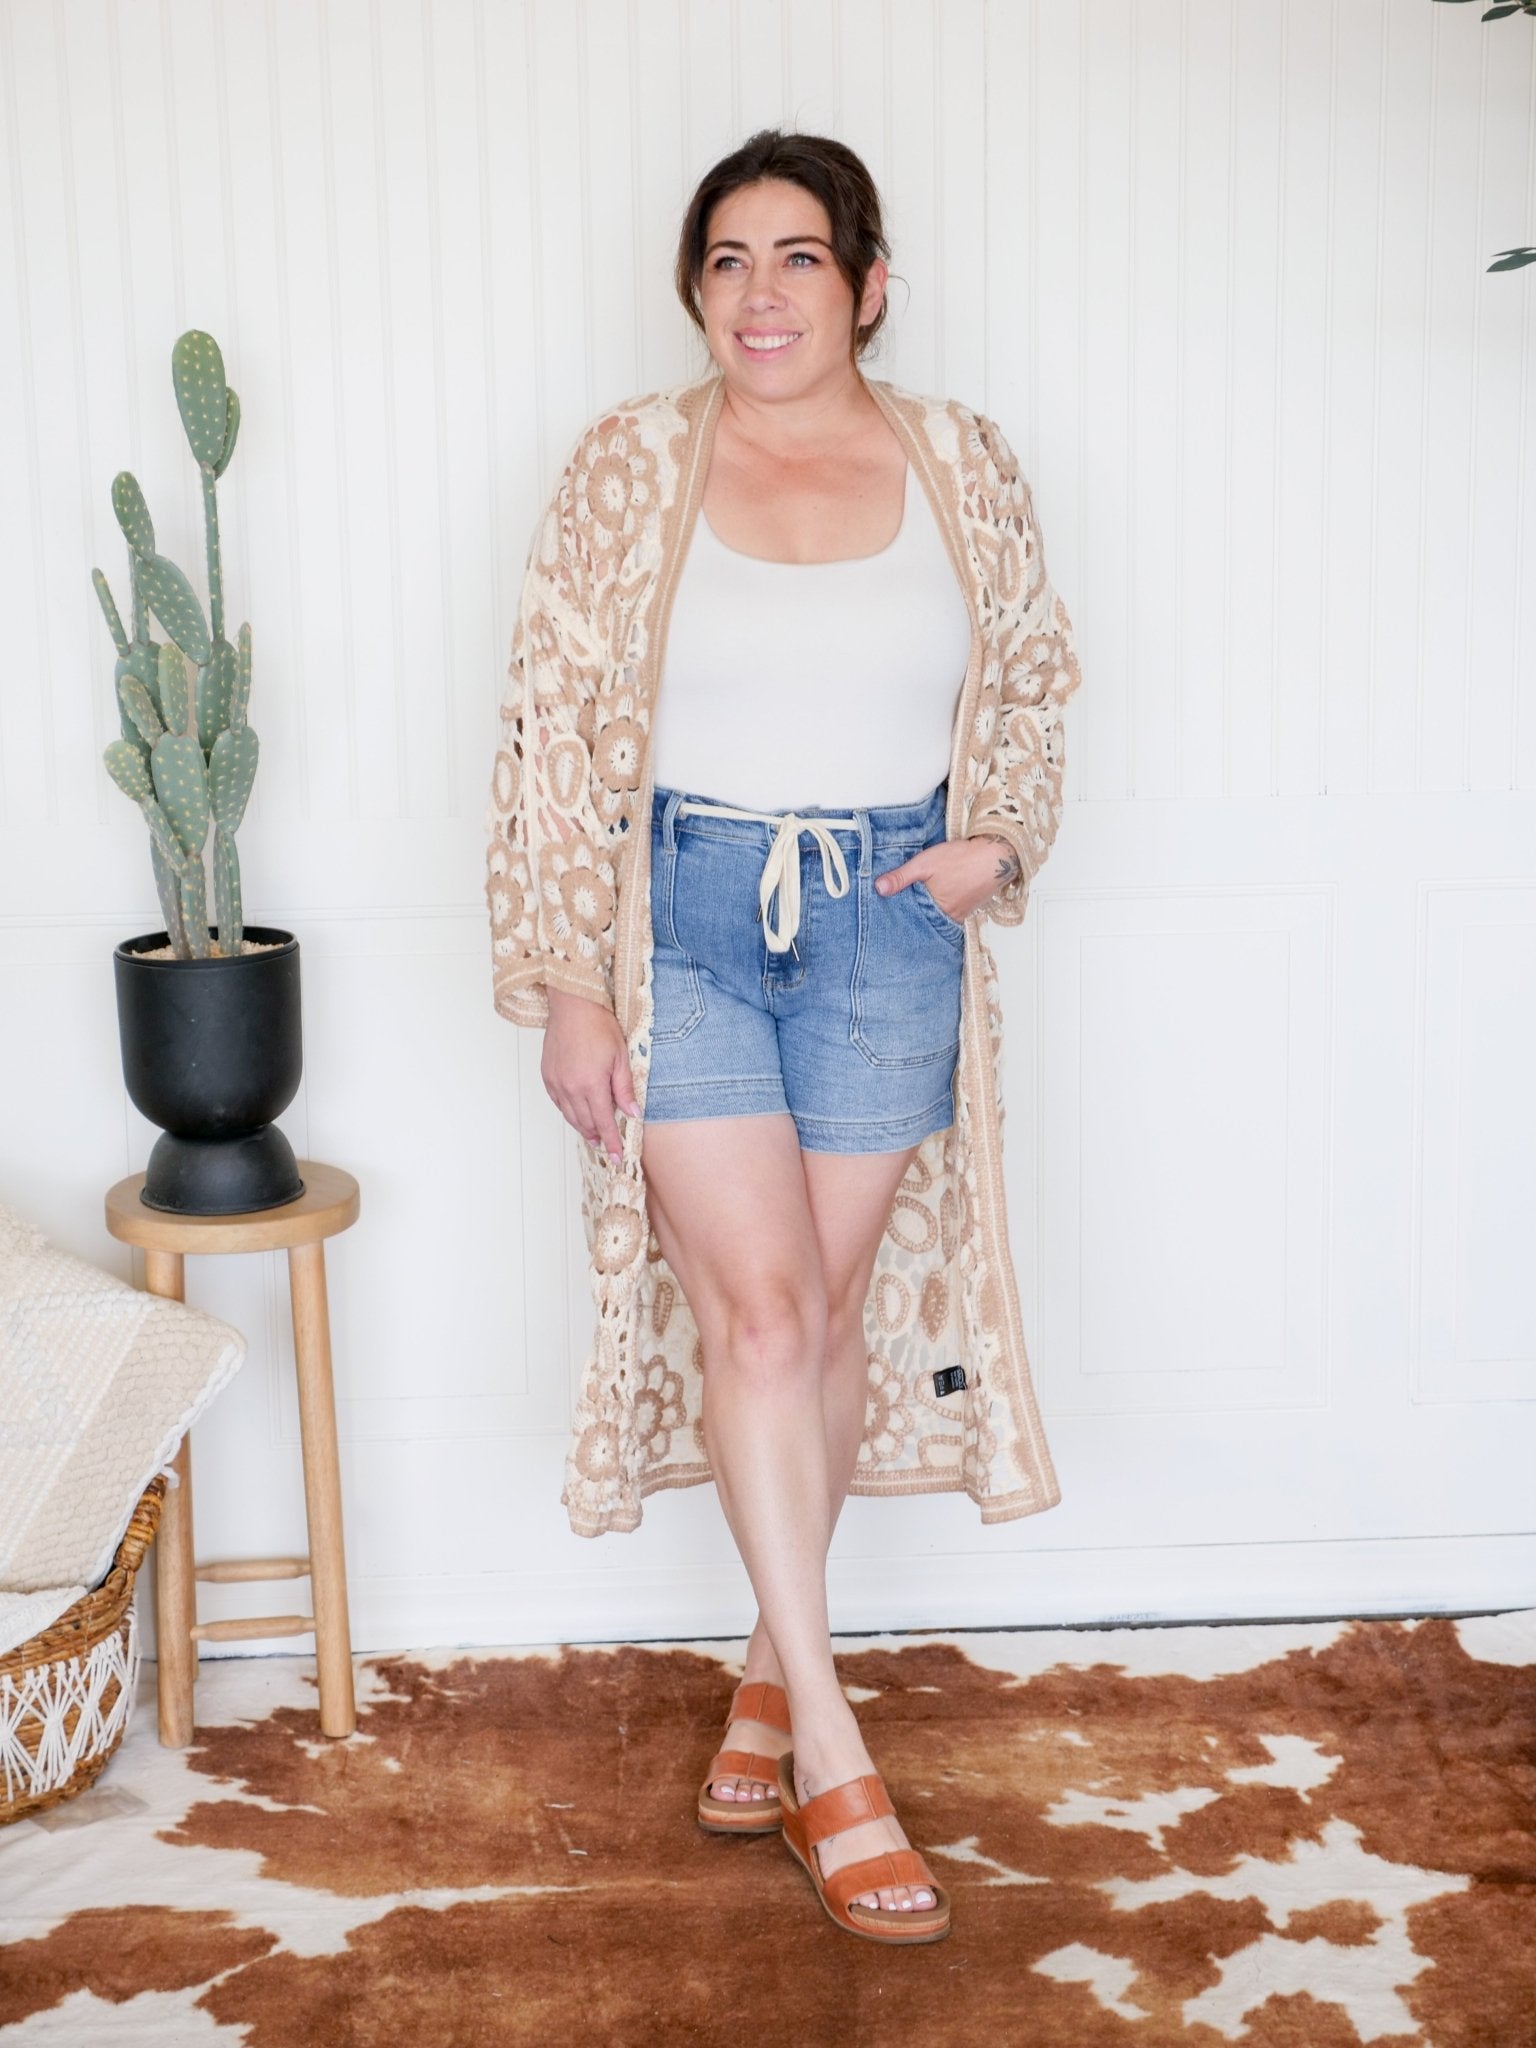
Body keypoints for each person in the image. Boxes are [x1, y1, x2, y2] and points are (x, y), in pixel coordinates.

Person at [485, 128, 1081, 1946]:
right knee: (757, 1313)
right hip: (679, 918)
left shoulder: (962, 460)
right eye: (729, 259)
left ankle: (766, 1666)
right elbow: (549, 716)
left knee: (816, 1317)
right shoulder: (629, 463)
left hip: (890, 917)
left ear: (869, 285)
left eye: (799, 257)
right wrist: (568, 981)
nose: (760, 294)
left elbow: (1034, 675)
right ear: (697, 288)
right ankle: (833, 1746)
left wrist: (1000, 843)